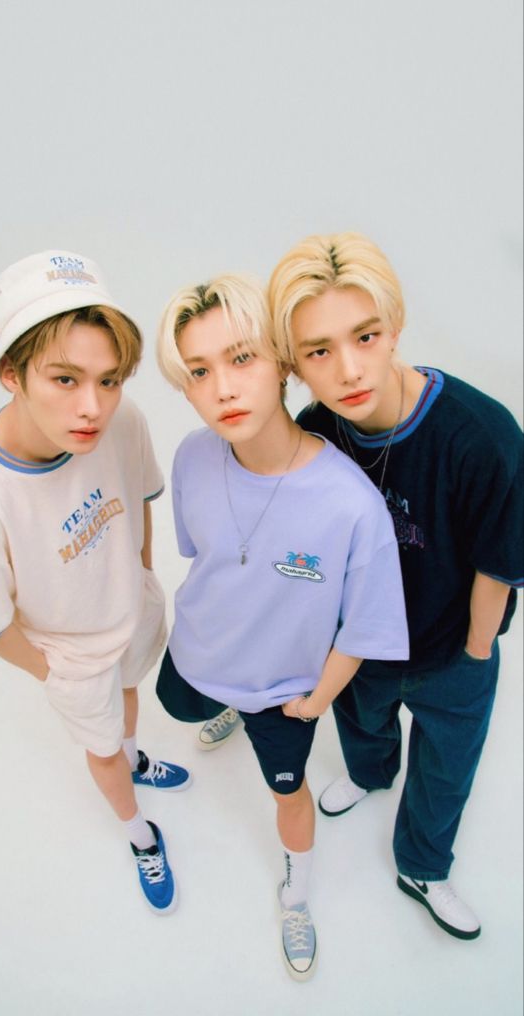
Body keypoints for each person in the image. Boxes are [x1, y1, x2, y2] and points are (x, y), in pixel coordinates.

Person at [268, 232, 524, 940]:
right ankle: (370, 776)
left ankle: (423, 866)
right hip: (361, 647)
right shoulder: (315, 432)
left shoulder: (483, 435)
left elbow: (498, 562)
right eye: (319, 351)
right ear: (294, 365)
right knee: (363, 727)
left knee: (444, 771)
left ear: (395, 326)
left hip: (451, 650)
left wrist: (474, 655)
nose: (349, 368)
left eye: (366, 335)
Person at [155, 273, 408, 980]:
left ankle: (296, 890)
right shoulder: (191, 458)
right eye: (199, 372)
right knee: (176, 705)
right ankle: (223, 708)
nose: (224, 389)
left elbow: (365, 629)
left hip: (285, 690)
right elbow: (205, 560)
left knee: (286, 793)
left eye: (242, 359)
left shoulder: (351, 507)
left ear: (281, 362)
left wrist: (316, 701)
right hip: (200, 654)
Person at [0, 249, 191, 914]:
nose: (92, 406)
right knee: (101, 751)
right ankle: (138, 832)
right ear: (11, 372)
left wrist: (145, 574)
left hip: (130, 609)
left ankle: (135, 755)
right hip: (72, 656)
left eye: (109, 379)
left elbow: (141, 494)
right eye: (65, 379)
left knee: (129, 702)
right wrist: (57, 673)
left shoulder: (123, 421)